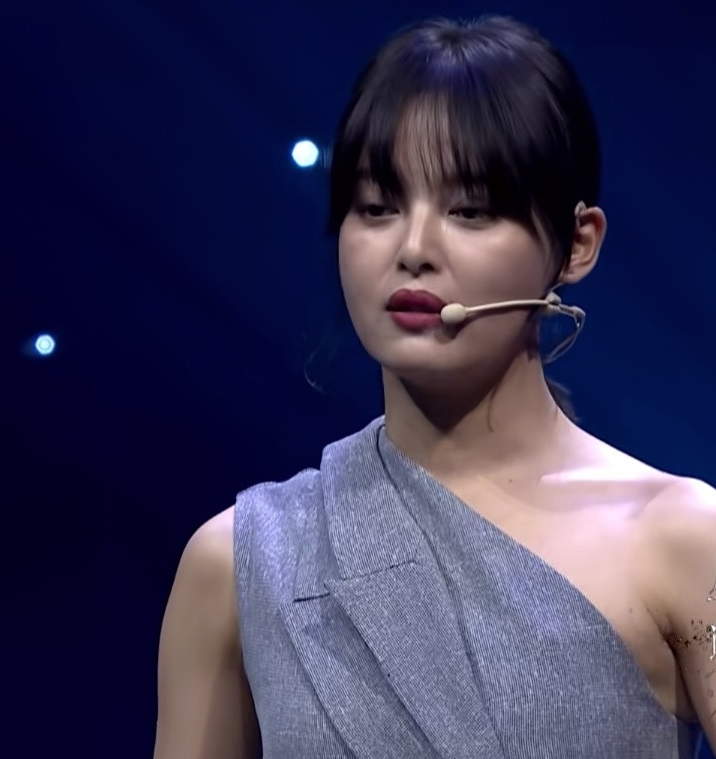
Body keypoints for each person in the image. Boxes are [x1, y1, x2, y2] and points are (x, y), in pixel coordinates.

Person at [153, 14, 716, 759]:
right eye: (377, 207)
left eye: (470, 209)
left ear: (577, 244)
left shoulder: (682, 539)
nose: (413, 248)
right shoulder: (240, 562)